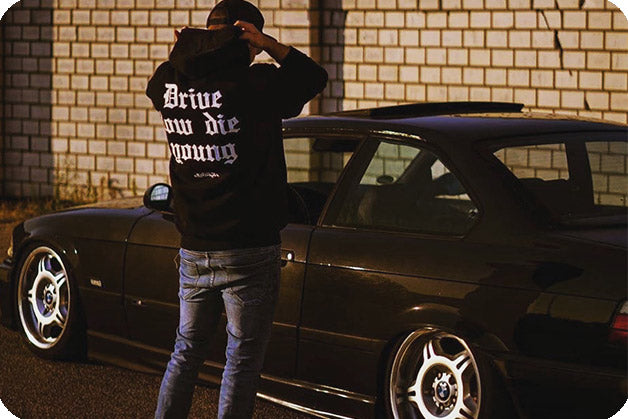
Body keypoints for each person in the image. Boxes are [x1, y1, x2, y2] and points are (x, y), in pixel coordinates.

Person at [145, 1, 328, 417]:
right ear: (247, 38)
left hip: (194, 246)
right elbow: (313, 77)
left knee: (185, 351)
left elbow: (161, 78)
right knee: (241, 361)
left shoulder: (170, 81)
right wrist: (268, 44)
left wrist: (189, 47)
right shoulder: (258, 83)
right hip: (249, 248)